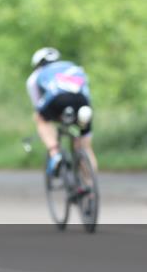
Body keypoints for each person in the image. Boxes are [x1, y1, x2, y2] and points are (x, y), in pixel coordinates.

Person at [26, 47, 98, 177]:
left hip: (56, 100)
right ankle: (90, 186)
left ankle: (55, 153)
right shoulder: (74, 67)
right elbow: (86, 92)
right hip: (82, 102)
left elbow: (37, 104)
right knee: (85, 147)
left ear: (37, 64)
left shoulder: (36, 75)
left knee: (40, 118)